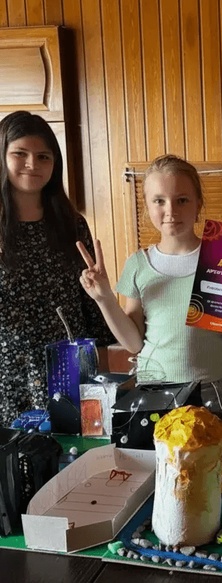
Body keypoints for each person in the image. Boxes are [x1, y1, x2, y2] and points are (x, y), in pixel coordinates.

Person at [78, 154, 222, 412]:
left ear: (198, 204)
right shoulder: (138, 264)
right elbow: (133, 343)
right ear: (147, 206)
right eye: (159, 201)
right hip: (155, 391)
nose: (171, 211)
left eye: (182, 200)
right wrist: (104, 298)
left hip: (213, 390)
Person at [0, 110, 114, 427]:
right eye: (20, 154)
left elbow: (90, 301)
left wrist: (103, 368)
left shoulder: (71, 223)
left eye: (43, 156)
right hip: (10, 374)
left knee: (77, 451)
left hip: (70, 367)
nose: (32, 164)